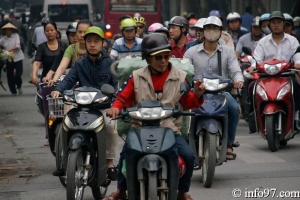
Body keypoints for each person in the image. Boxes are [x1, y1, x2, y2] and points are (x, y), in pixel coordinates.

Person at [103, 33, 206, 200]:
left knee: (188, 155)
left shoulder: (180, 76)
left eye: (166, 56)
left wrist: (199, 94)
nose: (163, 61)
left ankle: (182, 191)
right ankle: (121, 190)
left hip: (169, 128)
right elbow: (122, 97)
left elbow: (188, 101)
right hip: (140, 127)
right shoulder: (136, 76)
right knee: (125, 155)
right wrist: (115, 108)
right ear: (148, 59)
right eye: (158, 57)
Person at [50, 26, 119, 180]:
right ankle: (65, 161)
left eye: (96, 41)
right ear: (85, 43)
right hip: (82, 108)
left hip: (103, 108)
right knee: (65, 125)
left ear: (103, 43)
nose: (92, 44)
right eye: (89, 41)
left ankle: (109, 162)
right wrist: (58, 90)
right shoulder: (80, 64)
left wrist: (114, 102)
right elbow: (68, 80)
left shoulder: (111, 64)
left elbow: (116, 86)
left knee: (111, 126)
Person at [184, 16, 244, 160]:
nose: (211, 32)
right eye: (209, 28)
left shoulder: (227, 52)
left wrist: (238, 80)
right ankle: (185, 142)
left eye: (215, 29)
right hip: (197, 92)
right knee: (184, 110)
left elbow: (235, 70)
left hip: (221, 92)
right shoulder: (191, 52)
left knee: (234, 108)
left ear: (220, 32)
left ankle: (229, 143)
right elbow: (184, 71)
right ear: (203, 31)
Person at [247, 11, 300, 130]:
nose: (276, 25)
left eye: (279, 22)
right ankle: (253, 116)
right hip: (267, 77)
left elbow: (298, 56)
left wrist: (297, 64)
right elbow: (256, 59)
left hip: (287, 76)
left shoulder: (292, 41)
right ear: (269, 25)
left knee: (297, 88)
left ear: (283, 24)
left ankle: (296, 117)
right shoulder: (263, 42)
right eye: (273, 22)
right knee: (252, 88)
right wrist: (252, 66)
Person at [47, 20, 92, 85]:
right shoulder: (71, 48)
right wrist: (54, 80)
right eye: (80, 32)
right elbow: (62, 67)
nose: (82, 35)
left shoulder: (94, 48)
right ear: (76, 33)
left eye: (85, 32)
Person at [0, 22, 25, 95]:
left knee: (18, 74)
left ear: (11, 30)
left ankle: (19, 86)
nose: (8, 31)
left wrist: (9, 50)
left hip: (18, 57)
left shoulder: (16, 36)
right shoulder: (3, 39)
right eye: (6, 30)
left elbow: (18, 46)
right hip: (8, 59)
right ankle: (13, 91)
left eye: (9, 30)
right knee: (10, 75)